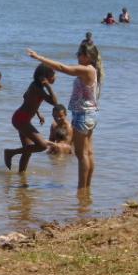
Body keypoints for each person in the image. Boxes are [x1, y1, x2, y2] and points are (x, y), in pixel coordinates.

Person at [27, 43, 102, 190]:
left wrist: (39, 57)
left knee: (82, 155)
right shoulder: (93, 70)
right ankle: (87, 187)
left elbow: (62, 68)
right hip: (91, 113)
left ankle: (81, 189)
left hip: (83, 115)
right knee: (89, 152)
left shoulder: (86, 70)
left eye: (80, 53)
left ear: (88, 56)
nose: (78, 55)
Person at [4, 64, 58, 173]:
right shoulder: (37, 88)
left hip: (21, 118)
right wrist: (48, 86)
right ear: (44, 77)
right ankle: (10, 153)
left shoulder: (34, 86)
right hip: (21, 120)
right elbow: (55, 102)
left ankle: (21, 175)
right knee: (42, 146)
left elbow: (25, 96)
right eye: (52, 74)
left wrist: (38, 113)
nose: (55, 77)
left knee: (28, 149)